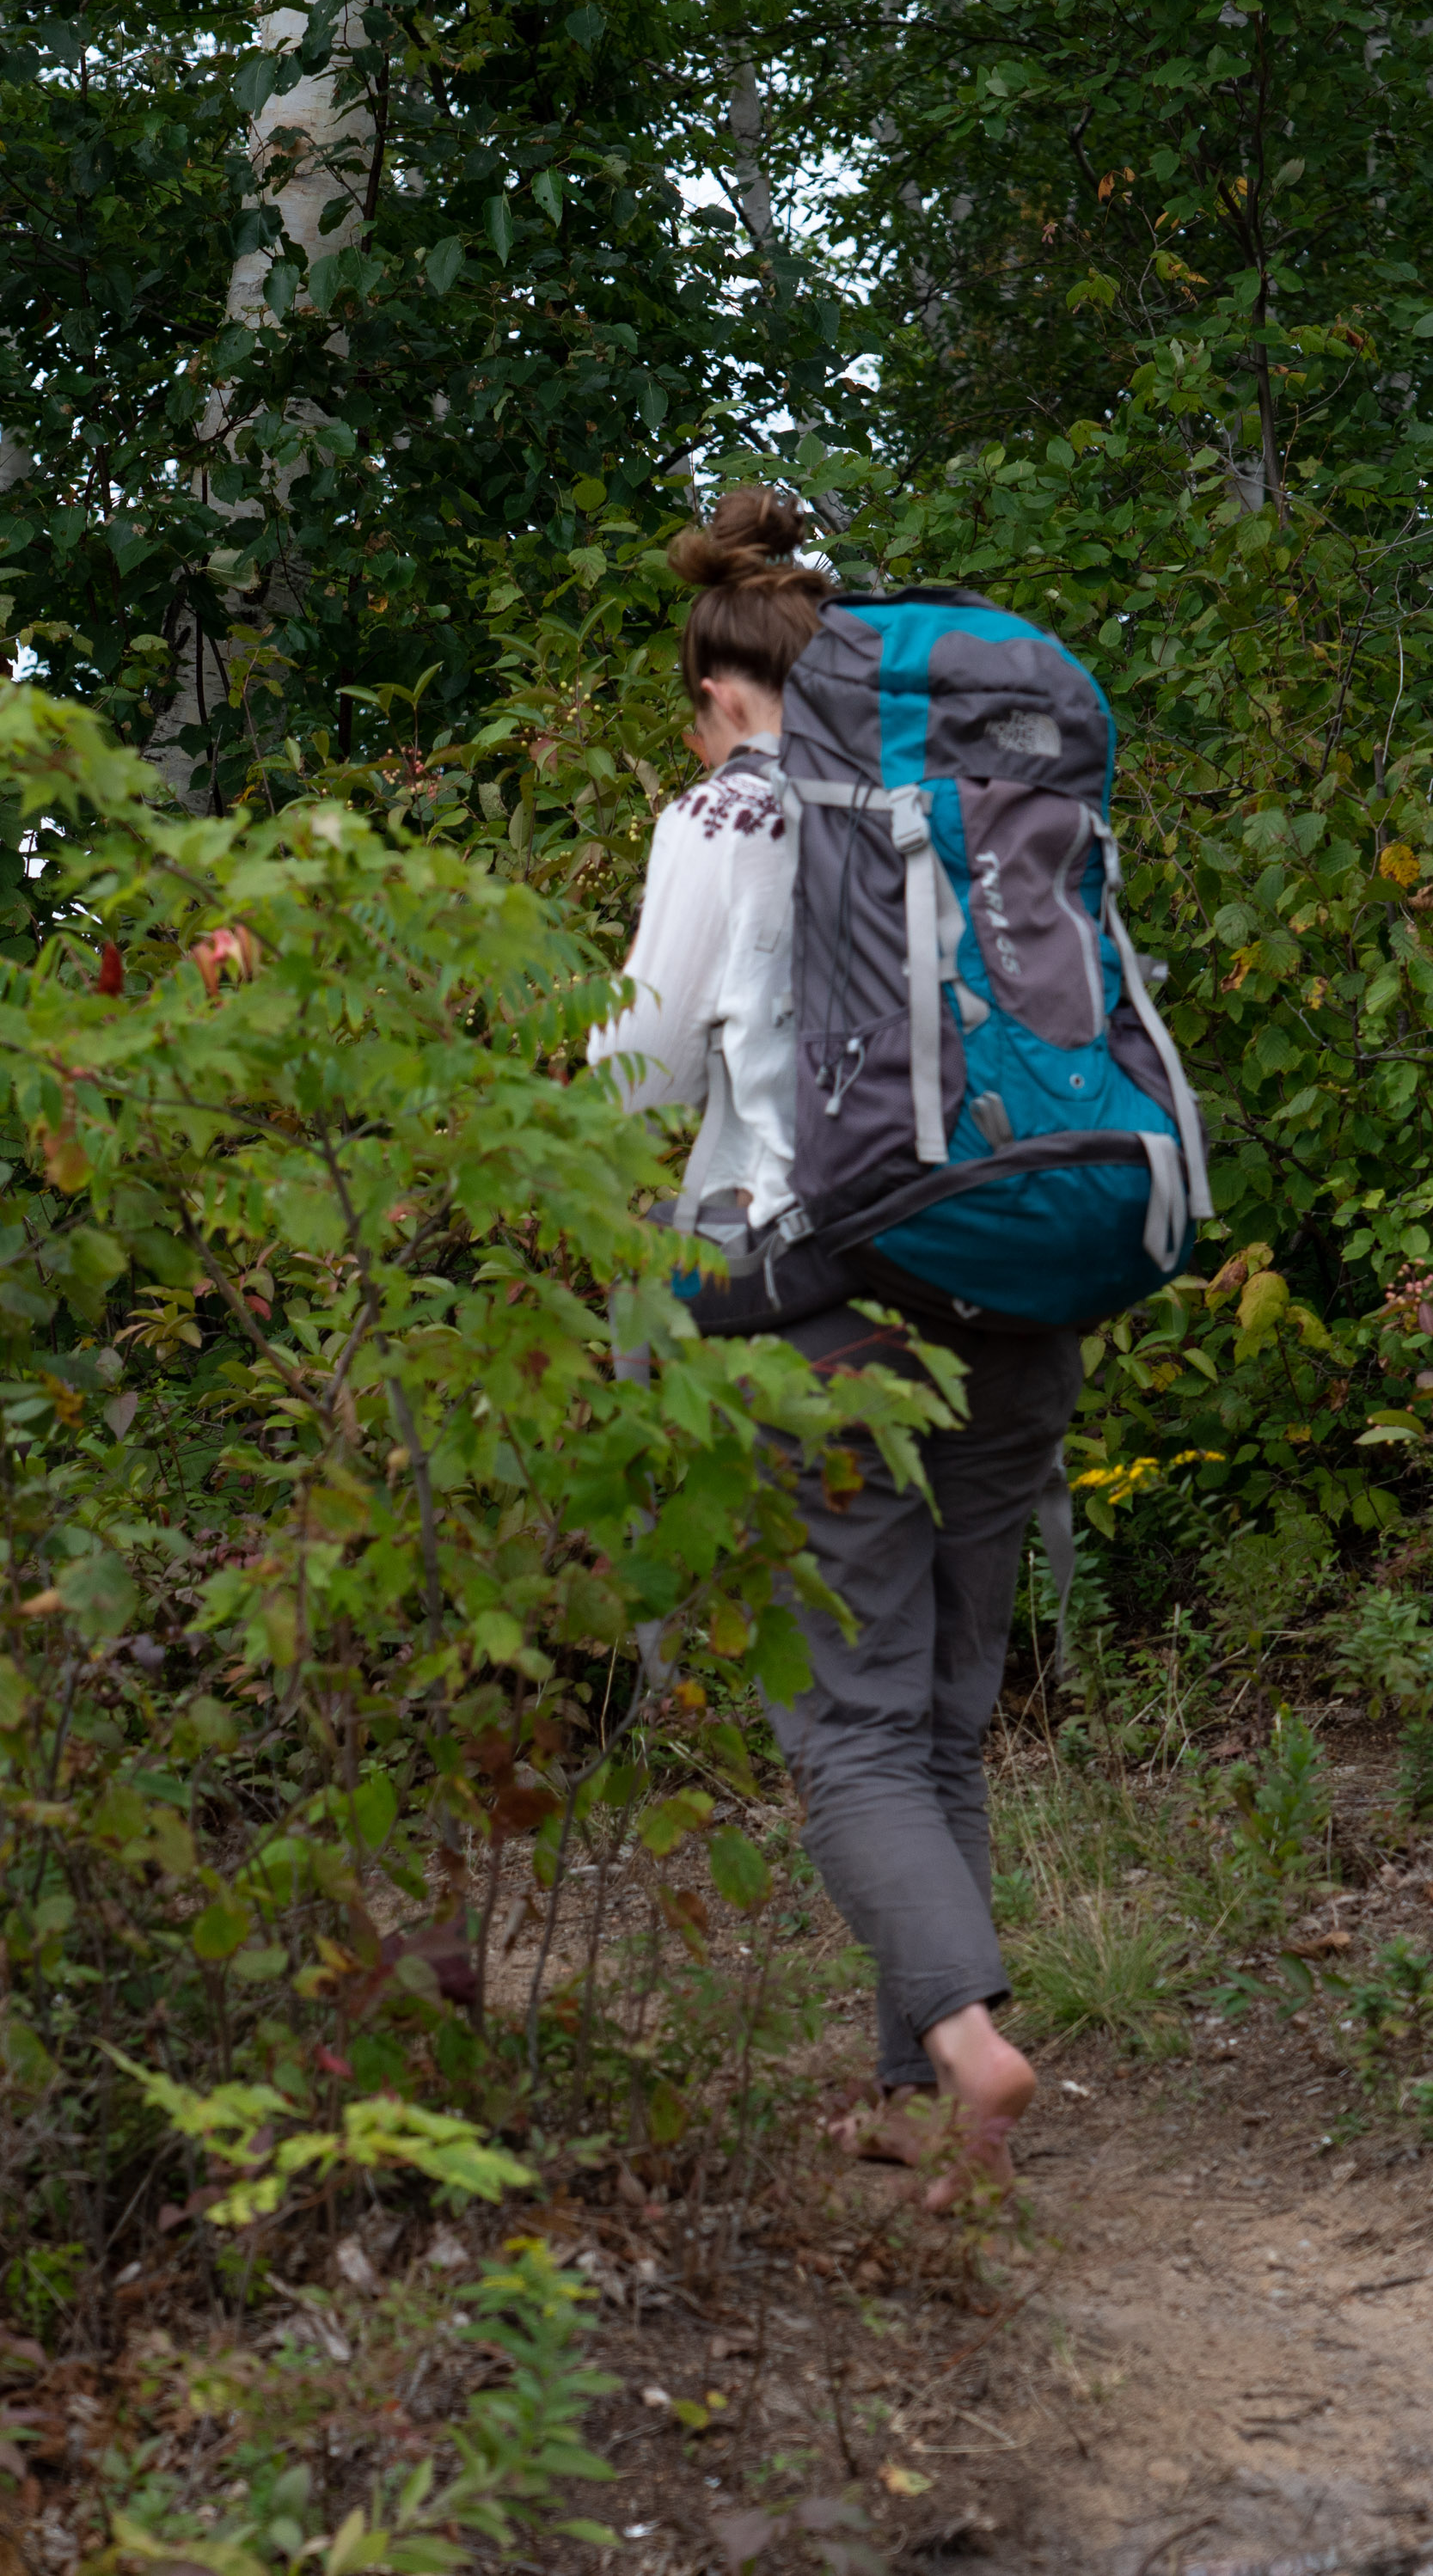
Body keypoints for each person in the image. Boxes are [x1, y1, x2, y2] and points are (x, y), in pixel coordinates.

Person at [587, 487, 1070, 2207]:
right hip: (1011, 1284)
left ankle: (963, 2043)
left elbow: (635, 1084)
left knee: (849, 1728)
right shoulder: (971, 807)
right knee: (942, 1708)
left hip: (820, 1315)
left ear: (721, 692)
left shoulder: (725, 819)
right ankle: (915, 2092)